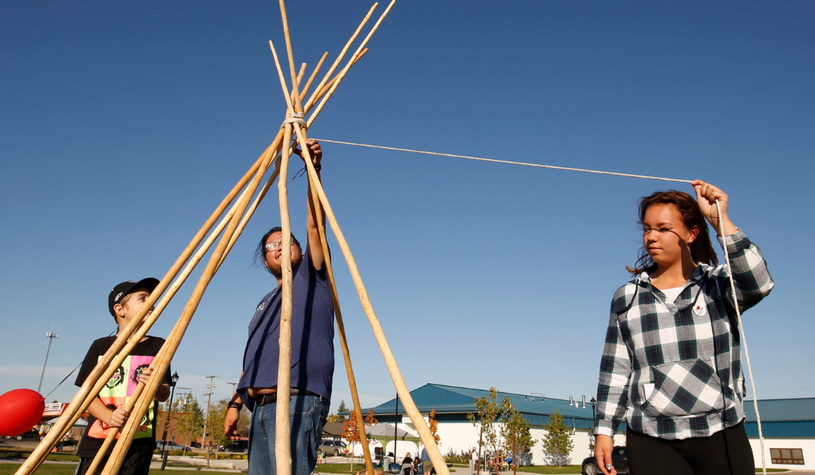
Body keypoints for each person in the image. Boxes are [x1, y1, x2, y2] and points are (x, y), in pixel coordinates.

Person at [593, 181, 774, 475]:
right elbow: (615, 369)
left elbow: (758, 283)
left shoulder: (718, 285)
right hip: (651, 438)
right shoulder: (626, 297)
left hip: (721, 430)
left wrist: (720, 220)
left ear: (691, 233)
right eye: (647, 228)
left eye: (663, 228)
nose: (651, 237)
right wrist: (604, 429)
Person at [223, 139, 333, 475]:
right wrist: (235, 403)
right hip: (260, 408)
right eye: (272, 245)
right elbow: (253, 358)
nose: (281, 246)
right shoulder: (264, 303)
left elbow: (315, 225)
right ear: (266, 260)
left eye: (288, 240)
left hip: (298, 400)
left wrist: (313, 170)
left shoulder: (311, 277)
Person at [74, 278, 171, 475]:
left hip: (138, 441)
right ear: (120, 309)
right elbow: (85, 395)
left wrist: (154, 386)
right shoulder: (101, 347)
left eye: (152, 298)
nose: (151, 303)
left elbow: (163, 394)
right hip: (99, 439)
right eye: (143, 298)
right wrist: (109, 416)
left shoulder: (159, 346)